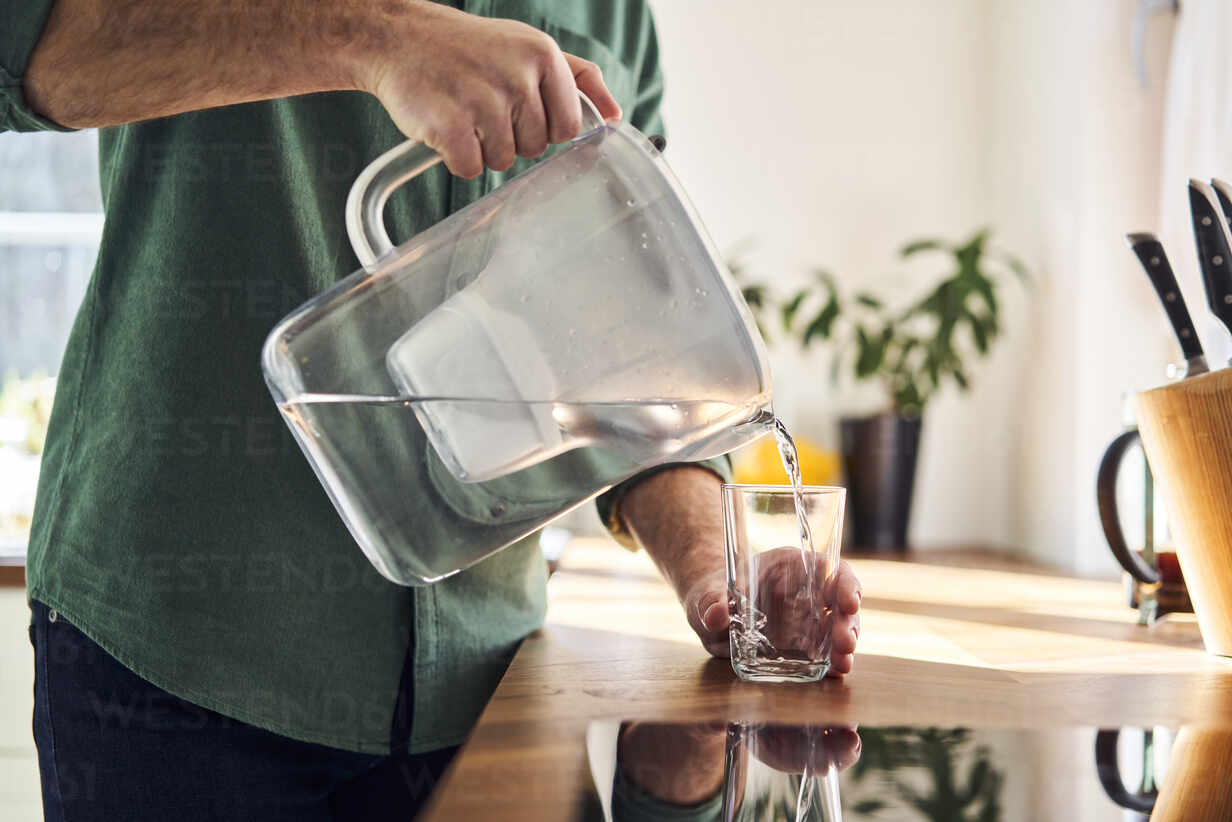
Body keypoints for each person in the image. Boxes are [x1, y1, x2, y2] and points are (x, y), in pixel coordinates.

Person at [1, 1, 863, 818]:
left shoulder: (616, 13)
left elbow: (628, 371)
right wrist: (374, 36)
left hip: (486, 690)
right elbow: (29, 45)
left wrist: (716, 575)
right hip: (178, 671)